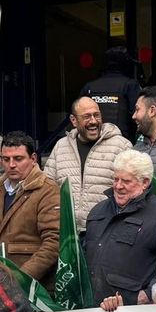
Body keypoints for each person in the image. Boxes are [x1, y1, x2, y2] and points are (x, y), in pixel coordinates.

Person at [83, 149, 156, 305]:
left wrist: (149, 293)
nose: (118, 186)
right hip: (91, 308)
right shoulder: (98, 211)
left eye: (126, 181)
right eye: (116, 179)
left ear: (145, 182)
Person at [0, 131, 61, 289]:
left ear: (33, 159)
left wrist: (19, 279)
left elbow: (53, 244)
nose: (11, 164)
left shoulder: (48, 190)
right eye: (6, 159)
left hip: (35, 289)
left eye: (18, 158)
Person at [43, 96, 132, 232]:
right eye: (86, 116)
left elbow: (133, 190)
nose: (93, 121)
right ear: (74, 120)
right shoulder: (61, 147)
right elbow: (47, 190)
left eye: (97, 115)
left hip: (106, 232)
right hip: (68, 235)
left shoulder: (121, 146)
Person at [80, 46, 143, 141]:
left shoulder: (89, 86)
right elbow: (139, 114)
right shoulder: (130, 85)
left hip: (92, 141)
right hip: (120, 142)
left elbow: (78, 113)